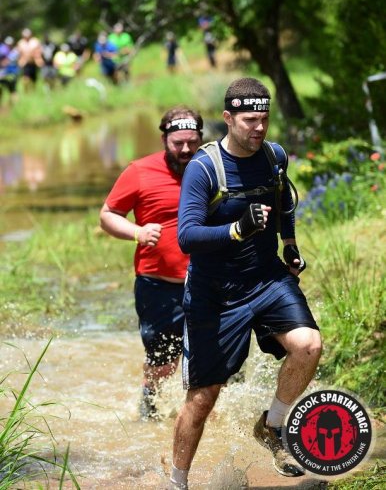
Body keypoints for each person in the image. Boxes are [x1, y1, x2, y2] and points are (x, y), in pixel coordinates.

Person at [169, 77, 322, 488]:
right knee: (203, 398)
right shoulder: (204, 168)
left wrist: (289, 245)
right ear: (227, 119)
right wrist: (236, 229)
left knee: (309, 345)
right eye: (250, 120)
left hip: (266, 277)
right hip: (214, 291)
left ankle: (272, 426)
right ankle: (176, 482)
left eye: (264, 120)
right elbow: (187, 236)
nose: (258, 128)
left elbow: (283, 203)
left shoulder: (273, 156)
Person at [99, 107, 204, 419]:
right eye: (178, 143)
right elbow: (107, 215)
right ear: (164, 140)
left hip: (207, 282)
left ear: (200, 139)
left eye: (192, 142)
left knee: (213, 355)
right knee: (164, 362)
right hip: (158, 286)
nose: (186, 149)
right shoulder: (139, 171)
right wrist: (137, 232)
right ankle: (151, 410)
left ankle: (204, 415)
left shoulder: (214, 168)